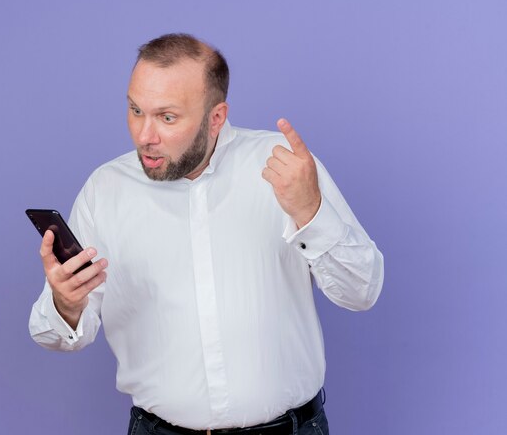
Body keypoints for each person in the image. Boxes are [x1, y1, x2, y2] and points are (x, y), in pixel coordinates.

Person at [29, 33, 384, 435]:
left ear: (216, 117)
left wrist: (310, 211)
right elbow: (56, 334)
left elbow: (361, 292)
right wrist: (66, 303)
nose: (144, 135)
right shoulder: (105, 189)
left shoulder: (285, 168)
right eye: (135, 110)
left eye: (167, 117)